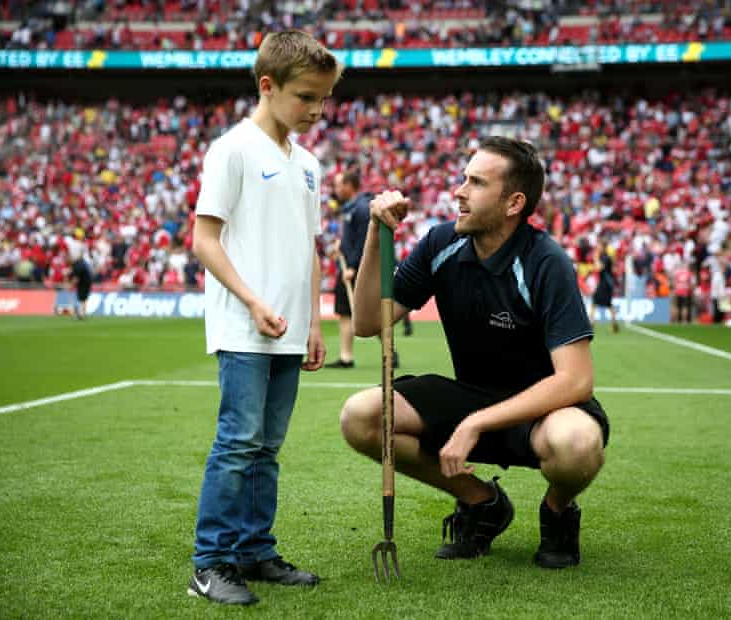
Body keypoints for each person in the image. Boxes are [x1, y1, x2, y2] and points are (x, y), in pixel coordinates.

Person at [340, 137, 609, 570]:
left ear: (513, 203)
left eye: (476, 182)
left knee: (576, 444)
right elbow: (370, 321)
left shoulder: (545, 261)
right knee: (361, 416)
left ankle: (558, 510)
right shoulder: (440, 244)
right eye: (464, 178)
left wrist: (476, 423)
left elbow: (575, 380)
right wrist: (377, 233)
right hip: (472, 393)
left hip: (543, 408)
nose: (459, 192)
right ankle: (482, 501)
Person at [187, 30, 340, 606]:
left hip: (290, 328)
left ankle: (255, 549)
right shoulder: (232, 149)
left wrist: (315, 321)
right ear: (268, 86)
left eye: (324, 99)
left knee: (268, 446)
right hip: (244, 325)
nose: (317, 111)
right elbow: (204, 240)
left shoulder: (307, 163)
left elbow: (310, 248)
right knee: (239, 441)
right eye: (307, 98)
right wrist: (252, 300)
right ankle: (211, 562)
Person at [325, 169, 372, 369]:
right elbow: (351, 239)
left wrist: (352, 266)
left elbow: (363, 241)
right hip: (352, 266)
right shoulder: (352, 208)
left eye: (338, 185)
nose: (335, 189)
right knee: (351, 312)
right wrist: (340, 245)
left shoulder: (360, 209)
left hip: (355, 269)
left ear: (348, 186)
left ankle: (347, 357)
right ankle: (346, 356)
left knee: (354, 312)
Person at [591, 240, 619, 333]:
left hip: (605, 284)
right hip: (605, 283)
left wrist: (595, 258)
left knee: (598, 302)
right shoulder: (605, 257)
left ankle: (591, 323)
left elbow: (599, 268)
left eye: (599, 246)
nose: (597, 248)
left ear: (603, 247)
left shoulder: (605, 258)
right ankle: (614, 323)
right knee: (605, 303)